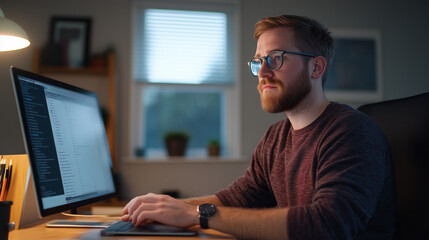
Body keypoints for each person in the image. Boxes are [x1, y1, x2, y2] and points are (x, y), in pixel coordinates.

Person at [121, 15, 396, 239]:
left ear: (316, 68)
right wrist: (167, 208)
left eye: (275, 58)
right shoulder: (276, 137)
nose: (263, 72)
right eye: (258, 61)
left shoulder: (352, 132)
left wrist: (196, 215)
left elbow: (327, 225)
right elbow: (237, 199)